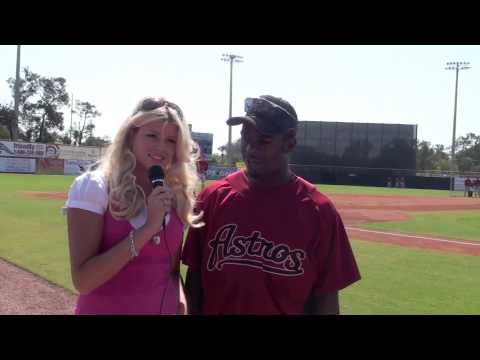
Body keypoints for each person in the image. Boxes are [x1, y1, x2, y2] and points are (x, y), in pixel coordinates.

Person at [182, 95, 361, 315]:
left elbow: (326, 300)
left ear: (290, 142)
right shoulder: (212, 198)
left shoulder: (319, 211)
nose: (250, 148)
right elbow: (194, 284)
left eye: (263, 140)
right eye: (245, 137)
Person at [64, 97, 203, 315]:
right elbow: (83, 281)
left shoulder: (177, 195)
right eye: (152, 135)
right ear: (131, 135)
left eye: (171, 140)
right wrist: (148, 228)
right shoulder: (94, 187)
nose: (161, 147)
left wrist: (181, 300)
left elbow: (171, 270)